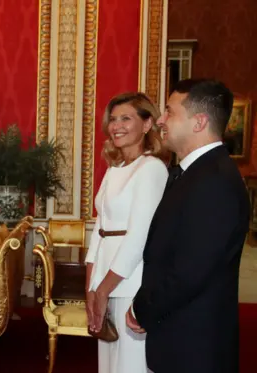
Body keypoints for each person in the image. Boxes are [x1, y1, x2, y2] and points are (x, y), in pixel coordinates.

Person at [126, 79, 250, 373]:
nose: (160, 120)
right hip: (180, 335)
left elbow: (190, 270)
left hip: (195, 346)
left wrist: (142, 308)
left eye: (170, 111)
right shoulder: (194, 173)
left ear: (199, 122)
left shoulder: (215, 181)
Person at [84, 92, 168, 373]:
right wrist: (91, 287)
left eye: (126, 118)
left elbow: (138, 239)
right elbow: (100, 229)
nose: (116, 125)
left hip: (131, 282)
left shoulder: (152, 169)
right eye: (113, 119)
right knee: (108, 365)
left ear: (147, 125)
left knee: (130, 365)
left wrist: (104, 290)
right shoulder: (115, 167)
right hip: (105, 282)